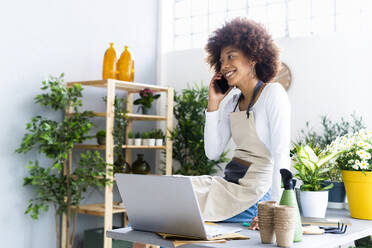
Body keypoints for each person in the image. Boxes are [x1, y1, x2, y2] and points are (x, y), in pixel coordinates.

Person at [190, 17, 291, 230]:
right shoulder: (232, 103)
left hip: (255, 195)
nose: (224, 65)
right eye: (221, 60)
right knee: (177, 191)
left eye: (231, 56)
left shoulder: (273, 94)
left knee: (179, 209)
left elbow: (282, 154)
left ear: (253, 57)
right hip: (229, 186)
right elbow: (212, 153)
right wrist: (213, 104)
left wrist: (273, 207)